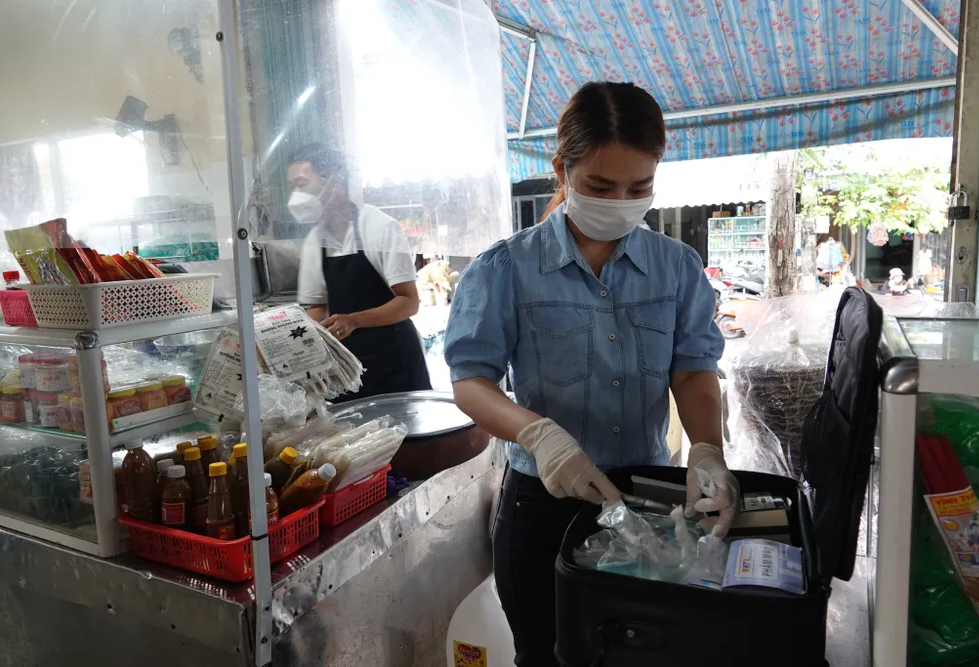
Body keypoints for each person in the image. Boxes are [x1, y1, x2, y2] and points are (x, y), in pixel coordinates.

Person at [444, 82, 736, 665]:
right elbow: (470, 380)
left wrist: (706, 450)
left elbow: (695, 368)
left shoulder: (676, 268)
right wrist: (537, 434)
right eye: (601, 186)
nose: (621, 201)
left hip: (649, 497)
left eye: (640, 187)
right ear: (562, 168)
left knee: (639, 653)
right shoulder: (506, 268)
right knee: (546, 652)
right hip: (541, 505)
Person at [293, 143, 431, 399]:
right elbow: (317, 308)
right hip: (347, 367)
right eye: (293, 187)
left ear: (332, 183)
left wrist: (354, 320)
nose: (295, 196)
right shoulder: (315, 241)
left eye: (301, 184)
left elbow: (409, 302)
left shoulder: (378, 227)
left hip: (395, 361)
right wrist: (294, 344)